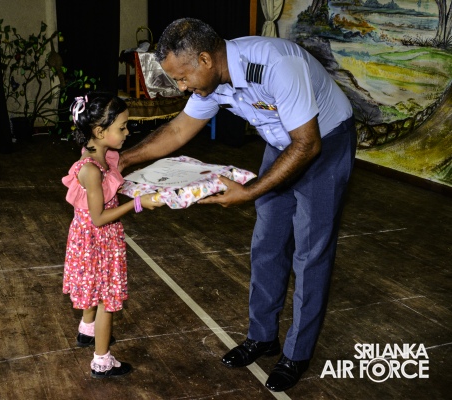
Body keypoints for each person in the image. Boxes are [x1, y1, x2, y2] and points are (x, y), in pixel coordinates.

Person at [119, 18, 357, 391]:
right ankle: (262, 337)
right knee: (267, 243)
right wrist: (123, 160)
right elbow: (178, 130)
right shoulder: (210, 80)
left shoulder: (275, 65)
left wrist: (250, 191)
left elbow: (308, 144)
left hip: (324, 141)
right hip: (283, 143)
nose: (181, 87)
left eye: (182, 78)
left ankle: (296, 354)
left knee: (310, 254)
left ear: (204, 59)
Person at [62, 92, 164, 378]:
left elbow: (108, 191)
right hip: (97, 241)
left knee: (95, 290)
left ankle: (87, 330)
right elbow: (98, 217)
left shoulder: (100, 155)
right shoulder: (91, 170)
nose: (127, 132)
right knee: (107, 301)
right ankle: (102, 361)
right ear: (99, 131)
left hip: (95, 240)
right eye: (122, 127)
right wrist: (138, 203)